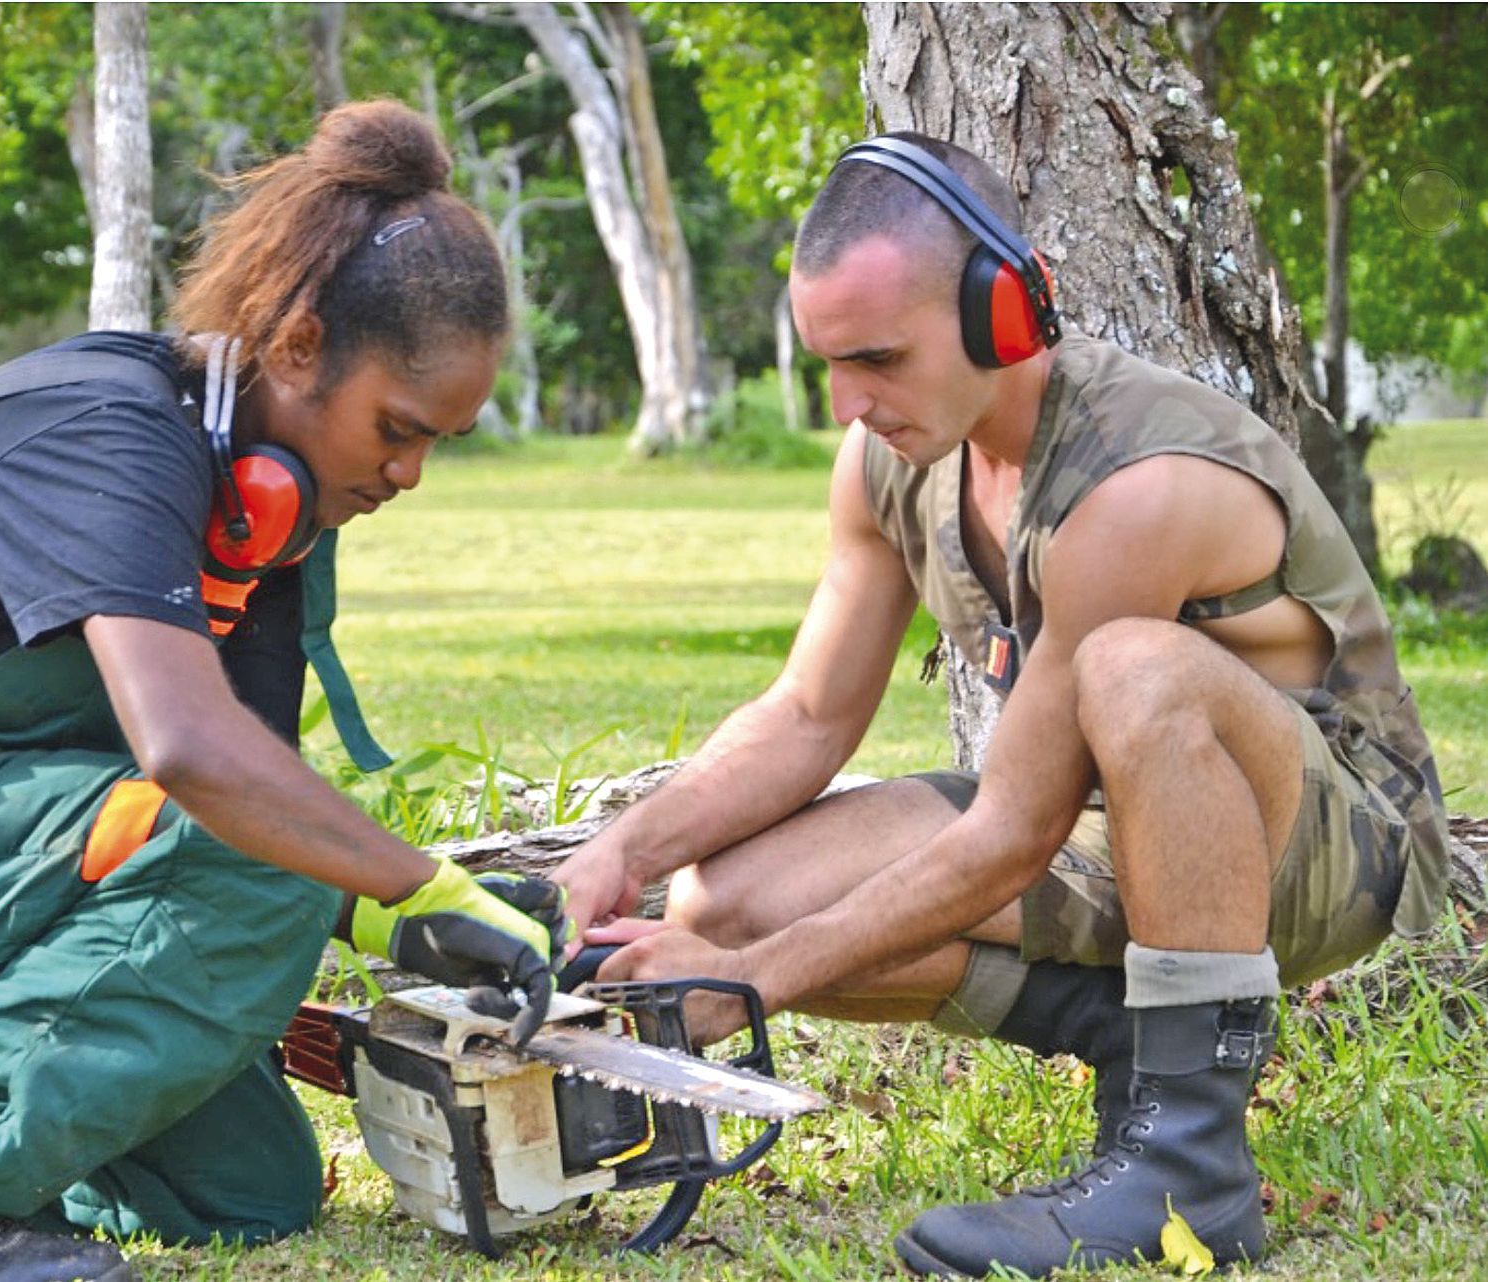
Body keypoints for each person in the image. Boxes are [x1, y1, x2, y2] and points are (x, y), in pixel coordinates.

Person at [0, 100, 567, 1282]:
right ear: (298, 347)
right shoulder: (110, 433)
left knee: (245, 1193)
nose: (411, 472)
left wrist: (423, 923)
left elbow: (235, 822)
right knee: (258, 864)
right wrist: (412, 883)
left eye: (439, 442)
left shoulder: (271, 513)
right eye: (396, 428)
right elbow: (192, 760)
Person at [553, 133, 1449, 1278]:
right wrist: (617, 854)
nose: (849, 403)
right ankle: (1128, 1033)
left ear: (1004, 314)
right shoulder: (889, 462)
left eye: (878, 358)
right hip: (1111, 826)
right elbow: (808, 714)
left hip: (1330, 846)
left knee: (1135, 666)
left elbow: (1015, 829)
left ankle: (1193, 1167)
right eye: (829, 363)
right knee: (724, 901)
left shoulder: (1138, 483)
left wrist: (763, 979)